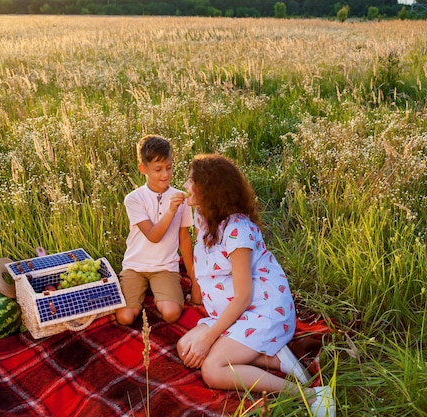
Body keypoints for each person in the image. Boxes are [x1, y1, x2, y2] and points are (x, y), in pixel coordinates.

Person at [176, 154, 335, 417]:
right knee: (186, 348)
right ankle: (273, 358)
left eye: (192, 181)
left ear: (211, 189)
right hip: (231, 309)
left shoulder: (238, 230)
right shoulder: (203, 214)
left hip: (261, 309)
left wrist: (209, 336)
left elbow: (244, 295)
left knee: (212, 370)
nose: (186, 185)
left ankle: (311, 394)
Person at [115, 135, 198, 326]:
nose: (165, 174)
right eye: (158, 169)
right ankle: (139, 298)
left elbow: (184, 238)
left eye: (169, 167)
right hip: (135, 266)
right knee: (125, 317)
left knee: (171, 314)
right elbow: (153, 236)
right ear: (143, 169)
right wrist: (170, 211)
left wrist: (193, 275)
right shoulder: (134, 199)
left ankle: (160, 294)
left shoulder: (180, 197)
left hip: (164, 267)